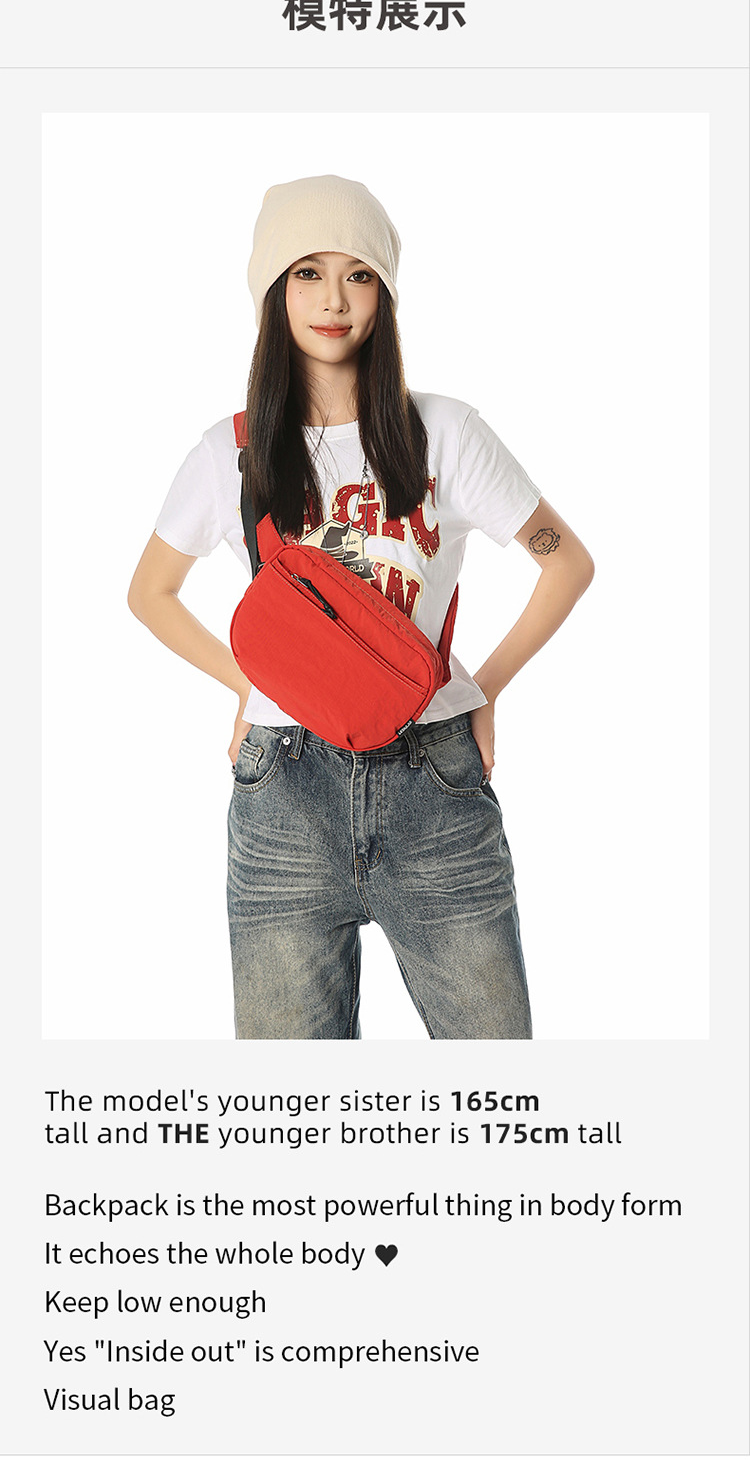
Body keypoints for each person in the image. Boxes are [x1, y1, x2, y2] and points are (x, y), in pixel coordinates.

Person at [128, 174, 594, 1040]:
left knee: (499, 1086)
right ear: (274, 290)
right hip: (283, 795)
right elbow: (149, 594)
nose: (334, 300)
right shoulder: (231, 452)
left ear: (386, 293)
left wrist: (484, 689)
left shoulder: (443, 432)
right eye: (307, 272)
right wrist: (249, 683)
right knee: (290, 1103)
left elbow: (566, 563)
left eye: (360, 275)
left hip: (436, 780)